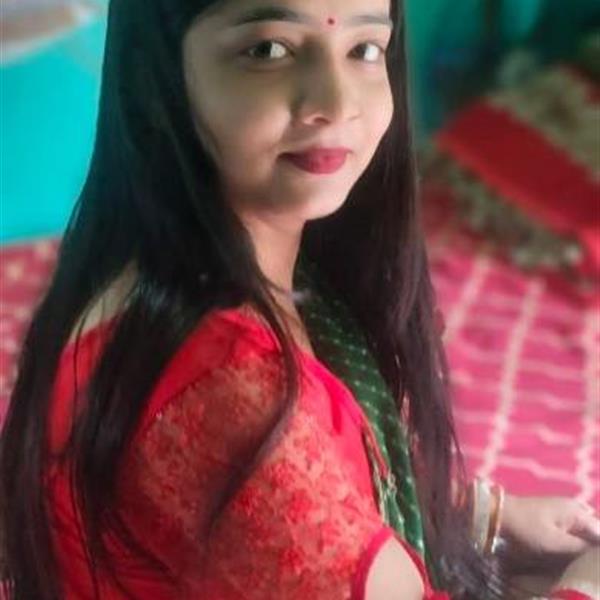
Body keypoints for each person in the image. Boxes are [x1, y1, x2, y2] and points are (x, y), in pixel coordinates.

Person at [0, 0, 598, 598]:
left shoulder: (207, 270)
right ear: (156, 77)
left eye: (365, 49)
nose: (336, 102)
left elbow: (316, 482)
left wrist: (481, 516)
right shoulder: (229, 389)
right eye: (269, 50)